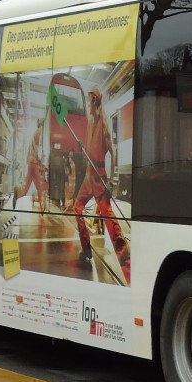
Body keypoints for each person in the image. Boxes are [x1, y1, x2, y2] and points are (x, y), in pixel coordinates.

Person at [72, 88, 130, 283]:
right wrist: (82, 148)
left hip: (99, 178)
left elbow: (112, 153)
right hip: (89, 177)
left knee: (108, 218)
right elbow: (86, 152)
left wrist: (112, 179)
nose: (88, 106)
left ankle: (125, 256)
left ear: (95, 102)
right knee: (77, 207)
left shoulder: (103, 126)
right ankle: (86, 247)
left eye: (90, 102)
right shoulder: (89, 124)